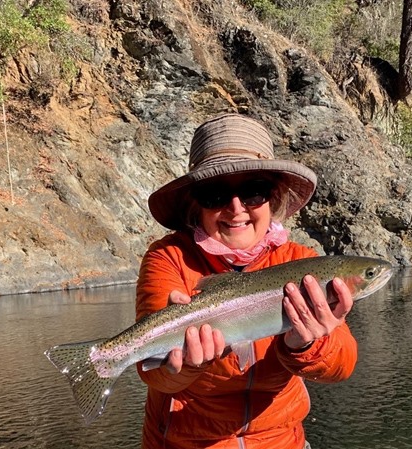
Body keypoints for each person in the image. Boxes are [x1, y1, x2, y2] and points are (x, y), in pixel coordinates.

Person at [136, 113, 358, 449]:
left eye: (254, 192)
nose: (236, 209)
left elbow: (342, 365)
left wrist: (306, 345)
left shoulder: (303, 263)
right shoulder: (168, 258)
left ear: (273, 197)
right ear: (196, 203)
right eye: (214, 194)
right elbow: (152, 371)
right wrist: (184, 367)